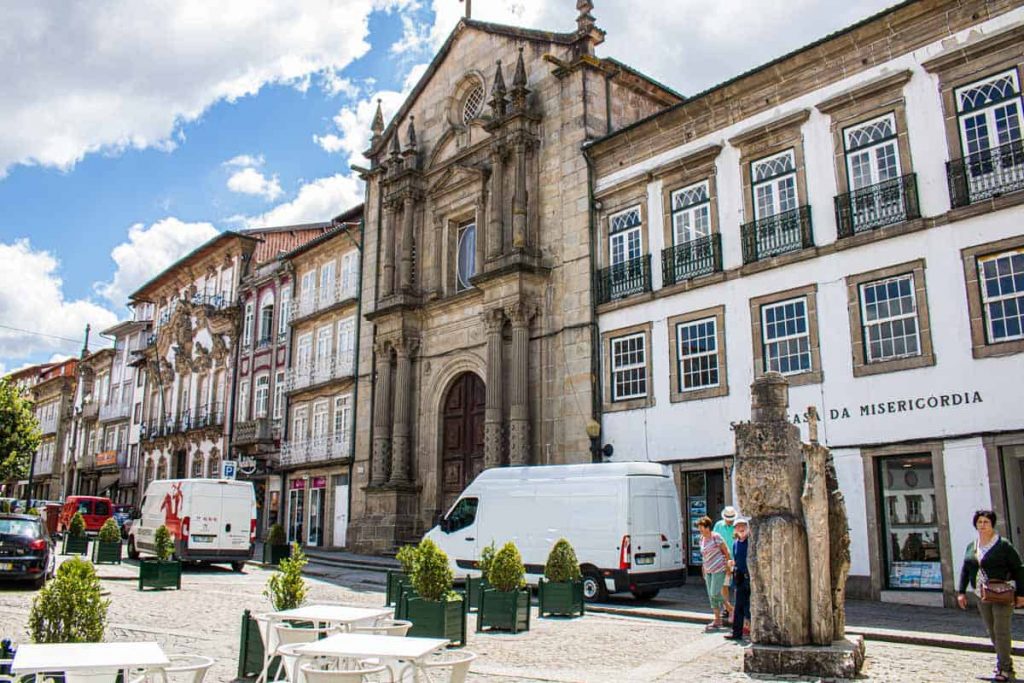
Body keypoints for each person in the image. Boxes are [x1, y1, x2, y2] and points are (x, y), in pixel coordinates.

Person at [956, 509, 1024, 682]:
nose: (982, 525)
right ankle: (1005, 663)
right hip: (981, 594)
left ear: (992, 524)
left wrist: (1021, 594)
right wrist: (961, 592)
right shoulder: (973, 546)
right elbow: (966, 569)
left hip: (1002, 593)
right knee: (992, 630)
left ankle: (1004, 669)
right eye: (979, 522)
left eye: (986, 522)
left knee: (1001, 630)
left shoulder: (1003, 545)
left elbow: (1018, 569)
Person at [697, 515, 731, 630]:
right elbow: (704, 555)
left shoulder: (716, 537)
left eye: (702, 527)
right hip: (708, 569)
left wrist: (727, 565)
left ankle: (730, 608)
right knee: (711, 597)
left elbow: (726, 551)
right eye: (699, 527)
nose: (700, 530)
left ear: (708, 527)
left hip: (718, 567)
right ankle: (717, 619)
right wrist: (703, 568)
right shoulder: (701, 539)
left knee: (714, 593)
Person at [725, 517, 751, 642]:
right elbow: (737, 559)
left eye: (743, 526)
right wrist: (732, 564)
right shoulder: (736, 543)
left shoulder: (751, 541)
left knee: (750, 607)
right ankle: (737, 633)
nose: (741, 528)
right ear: (735, 529)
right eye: (738, 526)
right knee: (739, 607)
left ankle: (754, 631)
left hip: (750, 578)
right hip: (740, 578)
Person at [713, 506, 737, 620]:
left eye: (731, 518)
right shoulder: (718, 525)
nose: (729, 520)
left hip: (735, 559)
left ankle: (738, 608)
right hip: (723, 559)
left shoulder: (737, 526)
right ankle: (726, 608)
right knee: (724, 585)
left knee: (737, 585)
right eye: (728, 518)